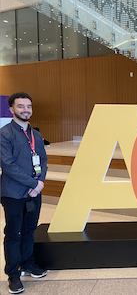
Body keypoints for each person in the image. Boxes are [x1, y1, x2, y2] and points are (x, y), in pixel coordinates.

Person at [1, 92, 48, 294]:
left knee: (30, 230)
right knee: (13, 234)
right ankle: (13, 274)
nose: (25, 110)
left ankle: (27, 264)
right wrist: (32, 183)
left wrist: (38, 184)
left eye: (28, 106)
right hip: (13, 194)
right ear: (11, 109)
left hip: (34, 193)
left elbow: (43, 160)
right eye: (20, 106)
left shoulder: (36, 135)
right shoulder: (4, 133)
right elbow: (7, 165)